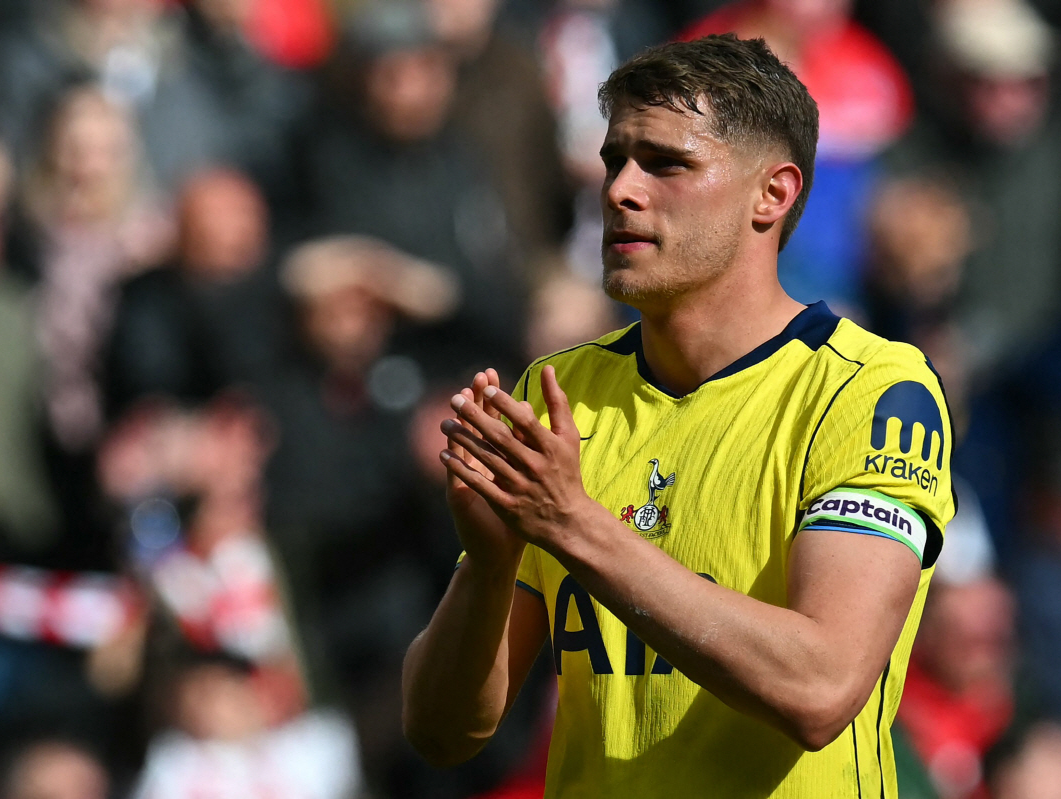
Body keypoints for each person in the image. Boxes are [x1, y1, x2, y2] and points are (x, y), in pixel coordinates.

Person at [402, 35, 955, 797]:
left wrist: (571, 524)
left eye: (667, 163)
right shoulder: (561, 395)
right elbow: (440, 731)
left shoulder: (870, 391)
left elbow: (821, 688)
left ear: (774, 193)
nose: (621, 190)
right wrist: (491, 570)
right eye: (613, 161)